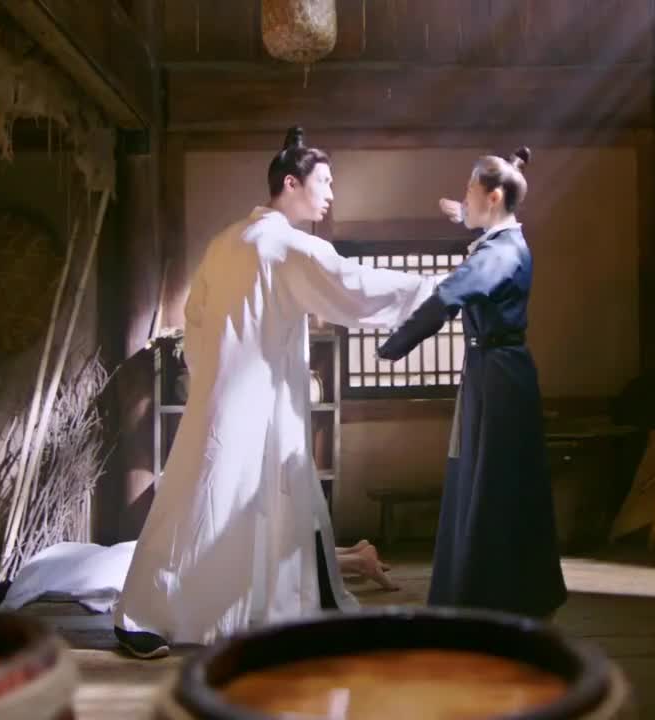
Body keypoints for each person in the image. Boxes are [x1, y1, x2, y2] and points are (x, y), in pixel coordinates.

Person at [113, 127, 435, 658]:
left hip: (223, 394)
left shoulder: (226, 241)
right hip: (254, 394)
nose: (330, 194)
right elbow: (349, 284)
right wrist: (428, 291)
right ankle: (186, 614)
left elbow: (195, 318)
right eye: (324, 182)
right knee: (230, 503)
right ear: (291, 183)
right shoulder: (284, 243)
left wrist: (211, 374)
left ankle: (153, 612)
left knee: (199, 499)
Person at [377, 147, 567, 619]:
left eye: (469, 190)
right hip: (491, 370)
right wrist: (461, 211)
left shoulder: (501, 253)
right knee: (483, 476)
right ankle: (490, 593)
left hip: (500, 378)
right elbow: (475, 216)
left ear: (495, 196)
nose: (463, 199)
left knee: (495, 482)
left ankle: (494, 597)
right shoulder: (501, 238)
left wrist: (394, 345)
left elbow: (450, 295)